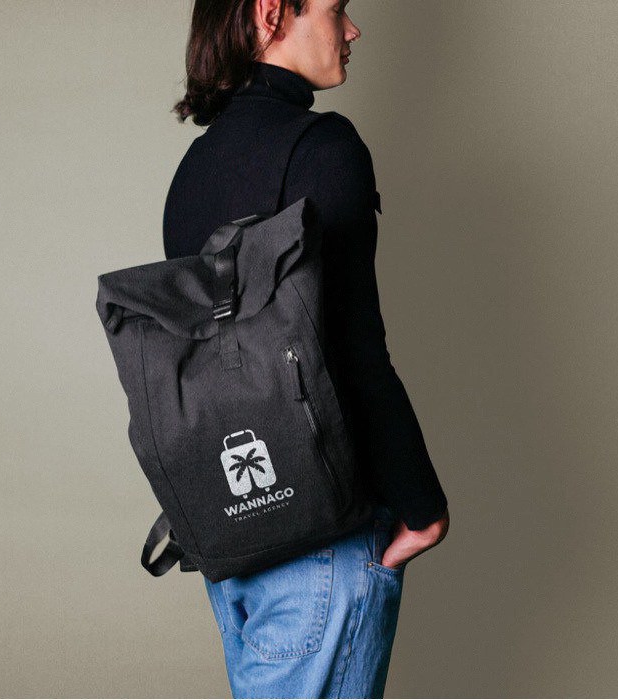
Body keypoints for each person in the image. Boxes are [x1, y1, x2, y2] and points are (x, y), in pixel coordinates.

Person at [163, 1, 450, 697]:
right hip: (324, 532)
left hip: (234, 529)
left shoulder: (194, 167)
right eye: (337, 8)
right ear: (270, 12)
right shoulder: (324, 148)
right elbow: (352, 347)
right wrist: (423, 507)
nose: (352, 30)